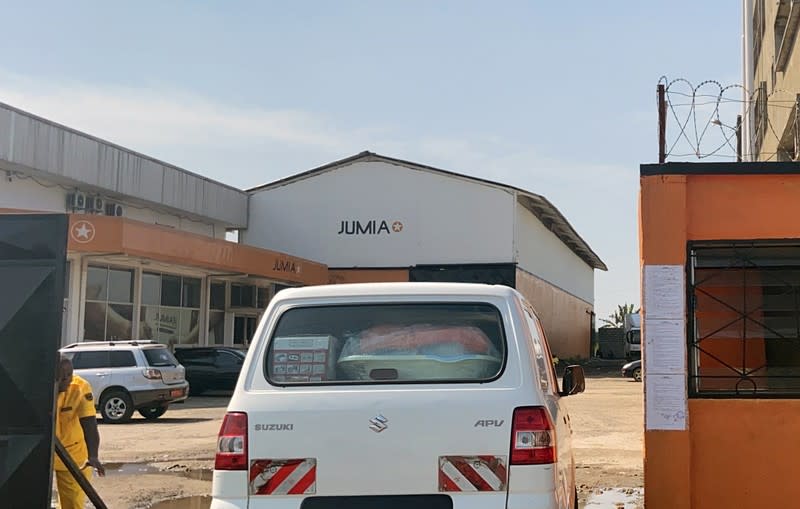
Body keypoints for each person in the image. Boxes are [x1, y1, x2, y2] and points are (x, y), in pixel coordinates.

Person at [54, 355, 105, 509]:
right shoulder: (35, 389)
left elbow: (89, 423)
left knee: (73, 503)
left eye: (70, 374)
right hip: (41, 453)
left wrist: (93, 455)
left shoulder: (80, 388)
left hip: (72, 454)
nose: (67, 379)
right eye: (62, 377)